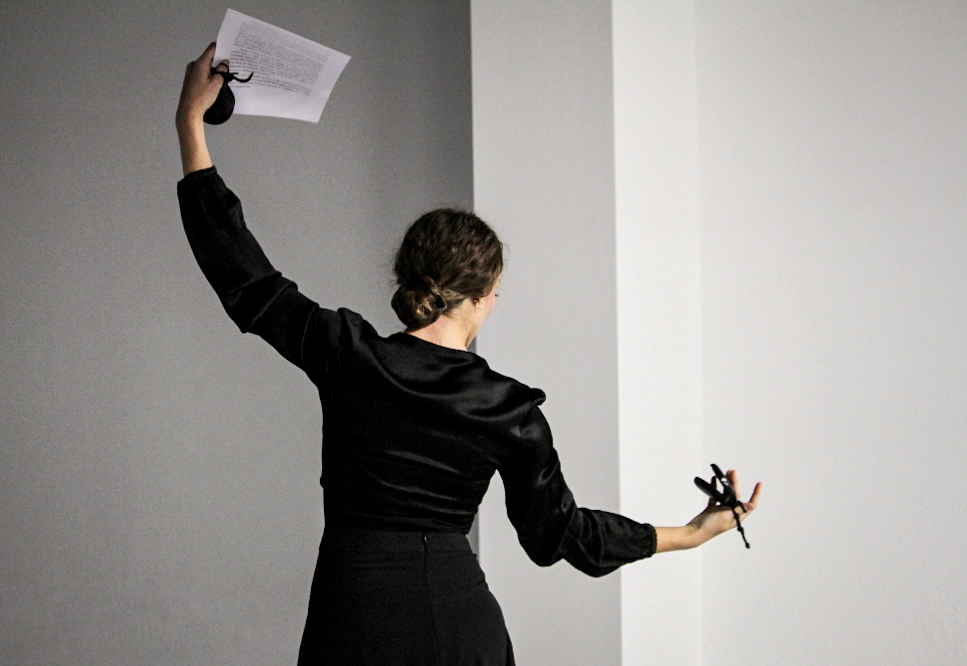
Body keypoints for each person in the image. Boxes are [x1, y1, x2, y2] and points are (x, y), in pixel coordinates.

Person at [176, 44, 761, 665]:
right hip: (457, 620)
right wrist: (693, 535)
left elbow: (247, 280)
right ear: (481, 299)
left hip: (352, 611)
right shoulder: (509, 408)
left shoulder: (346, 353)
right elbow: (558, 535)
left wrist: (191, 124)